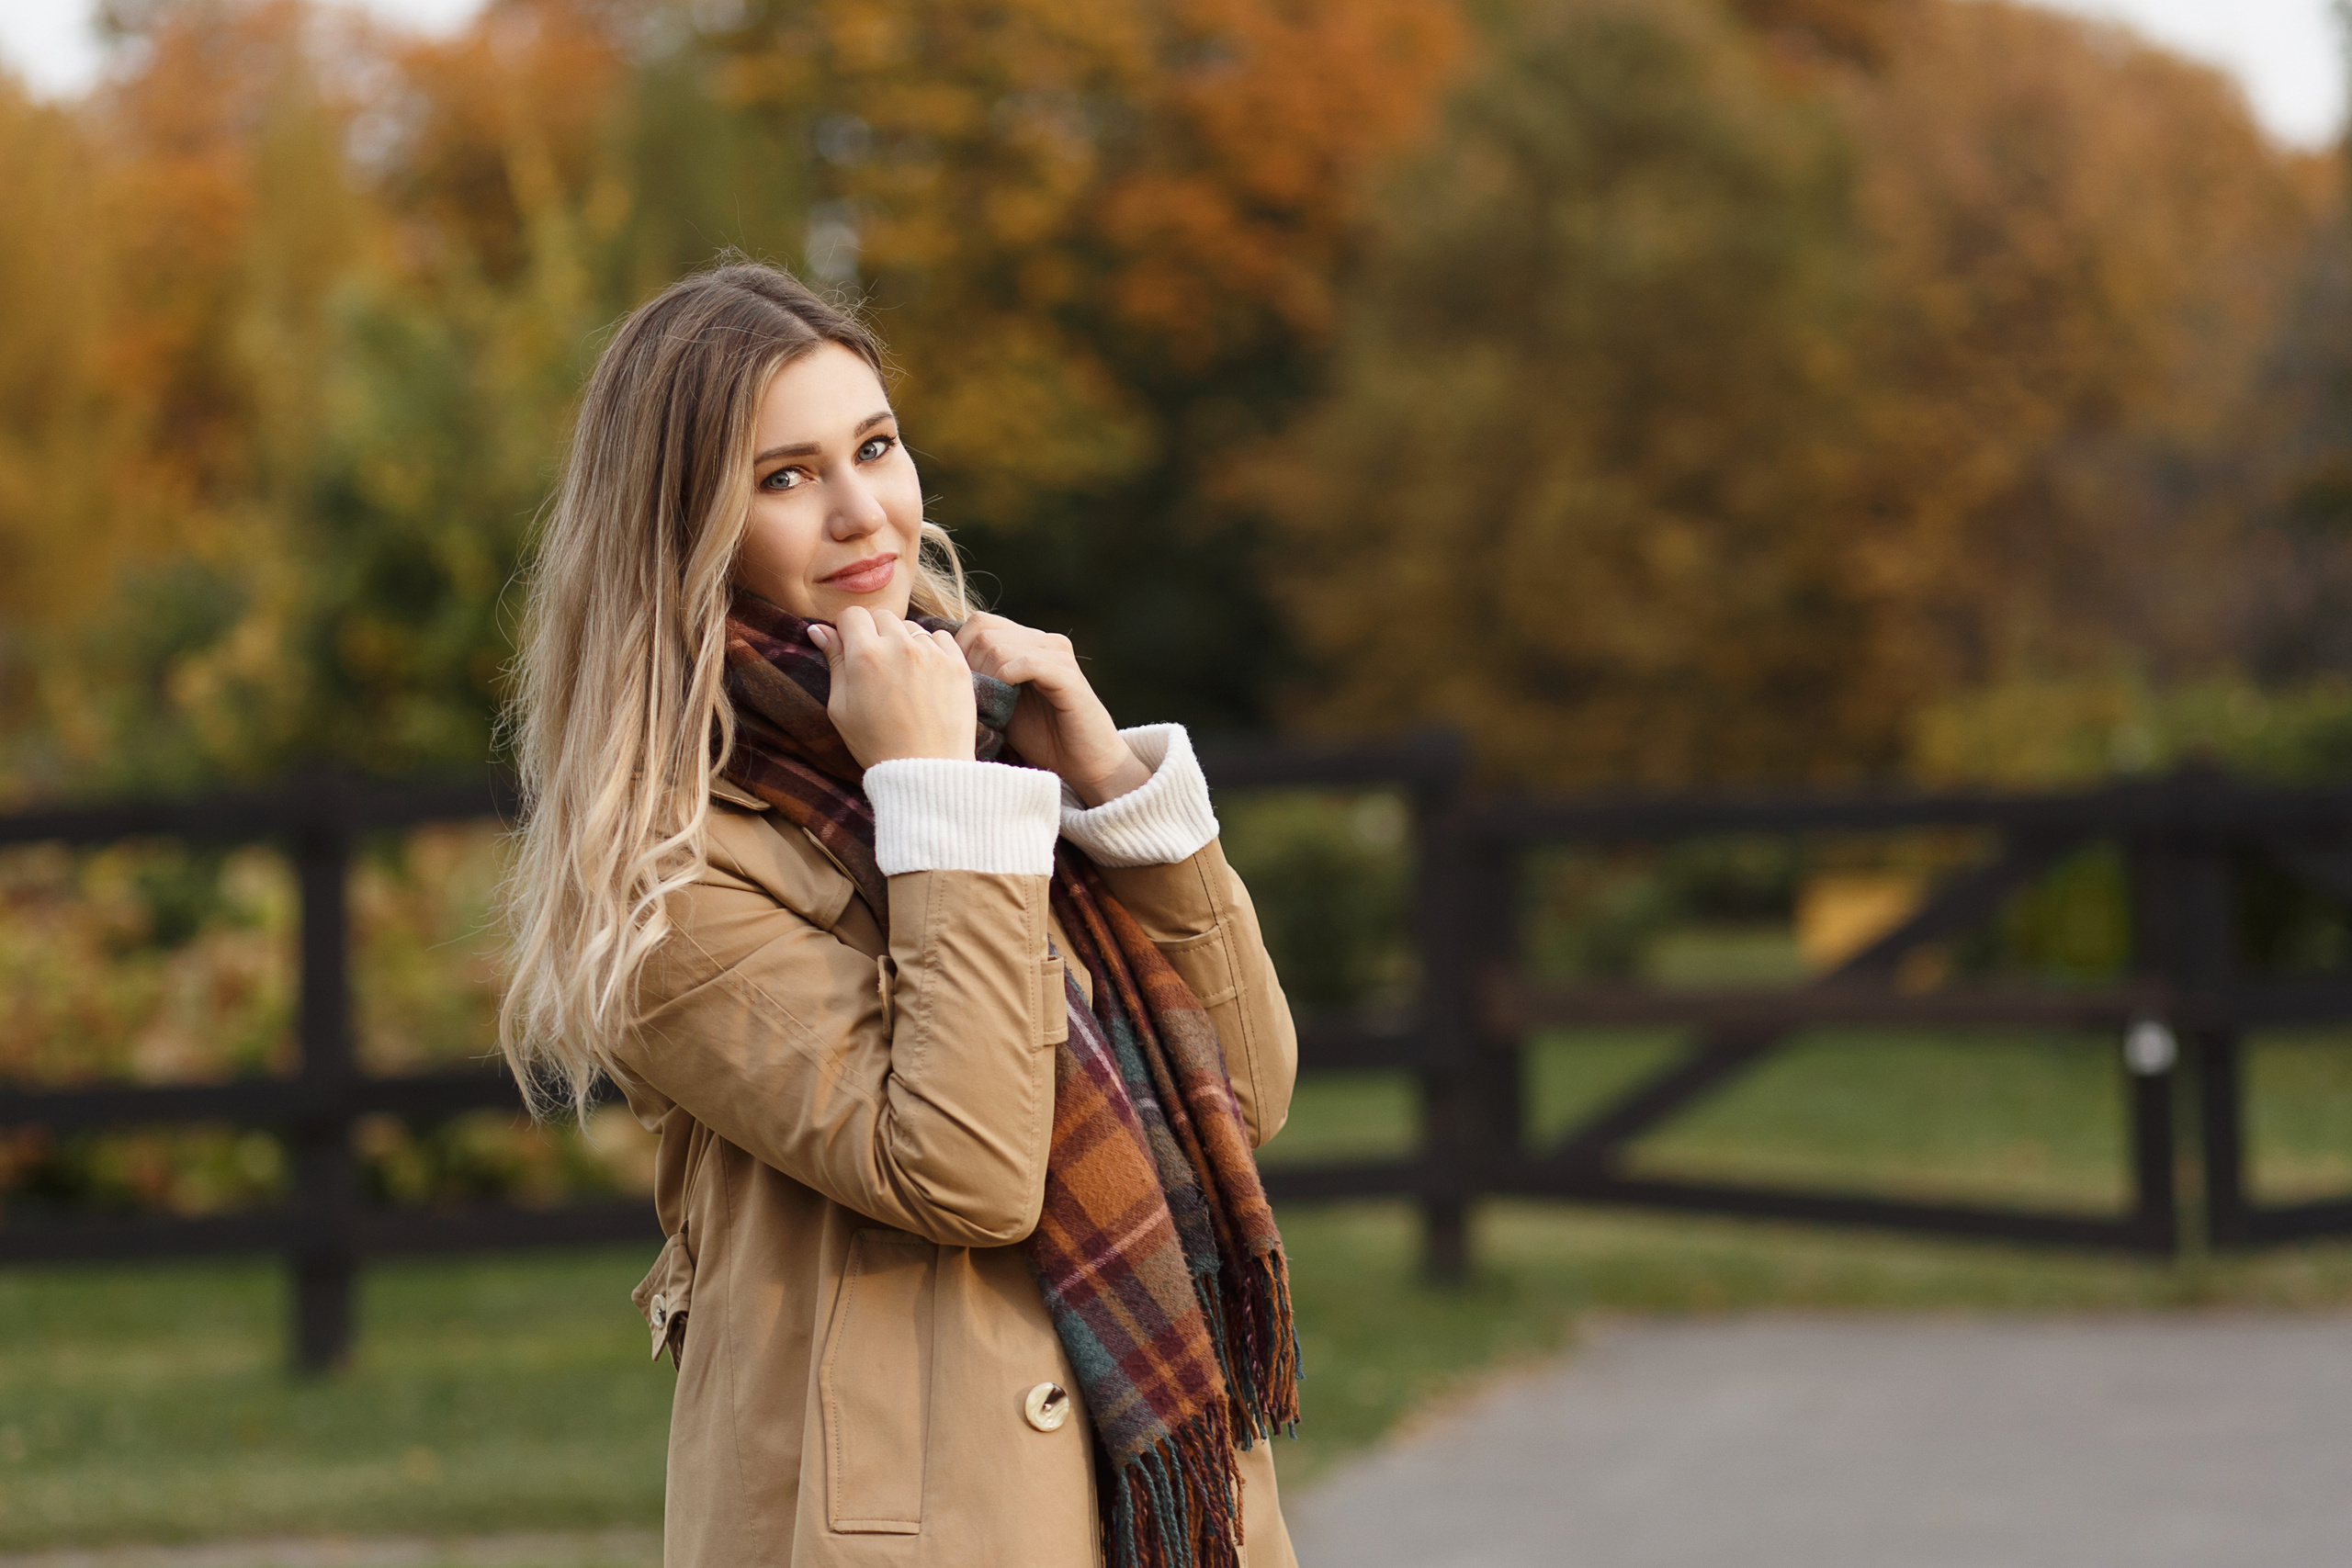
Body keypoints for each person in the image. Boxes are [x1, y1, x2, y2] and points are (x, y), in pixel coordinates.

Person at [497, 260, 1302, 1568]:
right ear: (686, 527)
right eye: (785, 476)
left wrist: (1107, 790)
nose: (864, 511)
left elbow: (1246, 1095)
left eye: (874, 446)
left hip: (1162, 1507)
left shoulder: (986, 756)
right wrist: (935, 798)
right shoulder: (664, 876)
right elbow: (972, 1173)